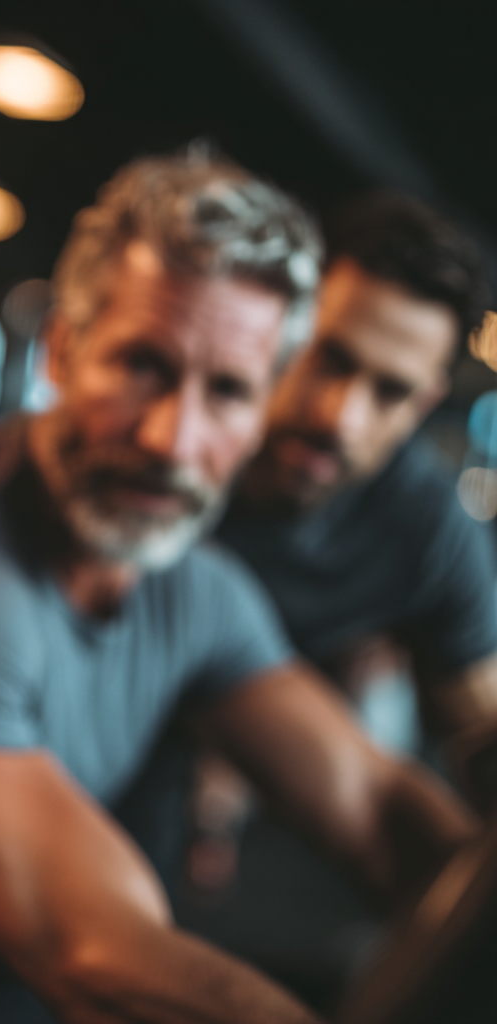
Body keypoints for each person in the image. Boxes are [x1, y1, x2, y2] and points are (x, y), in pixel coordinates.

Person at [0, 155, 478, 1024]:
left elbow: (382, 813)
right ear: (63, 347)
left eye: (229, 391)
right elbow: (96, 951)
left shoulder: (198, 590)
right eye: (144, 367)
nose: (174, 438)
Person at [217, 193, 497, 789]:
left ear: (423, 404)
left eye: (390, 392)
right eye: (330, 359)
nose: (340, 418)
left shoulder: (428, 527)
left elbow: (483, 725)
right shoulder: (184, 447)